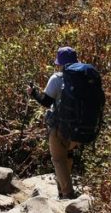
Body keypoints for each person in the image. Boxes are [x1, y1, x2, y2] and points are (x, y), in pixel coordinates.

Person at [28, 46, 80, 199]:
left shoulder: (57, 78)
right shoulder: (83, 77)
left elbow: (46, 101)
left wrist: (34, 93)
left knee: (58, 159)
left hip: (60, 126)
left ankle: (67, 194)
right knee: (68, 155)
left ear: (60, 63)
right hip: (80, 126)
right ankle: (62, 189)